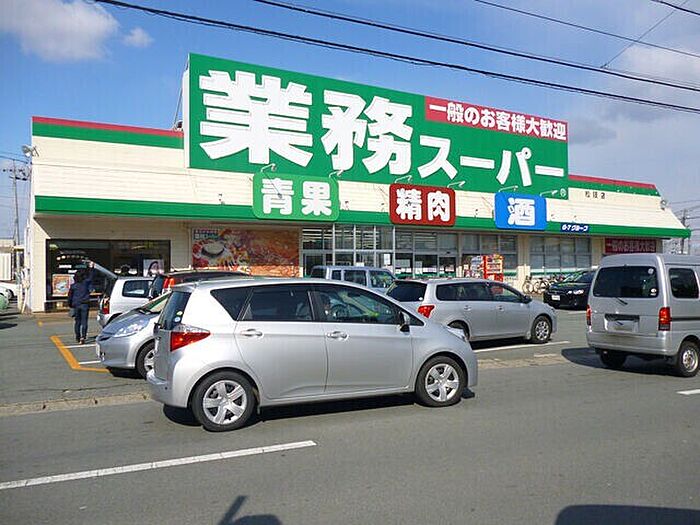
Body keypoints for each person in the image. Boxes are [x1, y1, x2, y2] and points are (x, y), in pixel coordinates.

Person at [67, 262, 94, 344]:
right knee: (84, 322)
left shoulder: (73, 286)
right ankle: (83, 337)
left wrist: (70, 304)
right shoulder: (85, 283)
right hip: (85, 304)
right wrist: (91, 268)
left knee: (77, 322)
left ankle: (78, 337)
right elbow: (91, 277)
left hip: (76, 304)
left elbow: (69, 296)